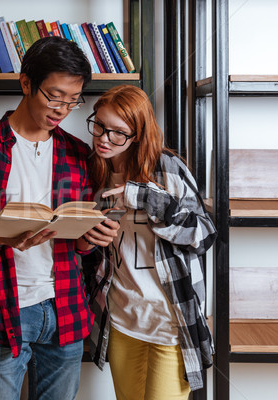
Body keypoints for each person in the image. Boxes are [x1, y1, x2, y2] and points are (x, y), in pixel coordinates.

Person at [0, 36, 118, 400]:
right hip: (0, 310)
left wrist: (91, 237)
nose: (62, 110)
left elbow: (78, 244)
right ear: (26, 83)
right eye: (53, 96)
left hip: (66, 310)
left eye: (72, 101)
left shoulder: (79, 154)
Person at [81, 85, 217, 400]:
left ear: (138, 135)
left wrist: (141, 196)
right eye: (99, 125)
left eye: (118, 132)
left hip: (170, 323)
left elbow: (204, 235)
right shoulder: (95, 171)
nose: (103, 138)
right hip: (121, 318)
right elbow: (95, 254)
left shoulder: (167, 169)